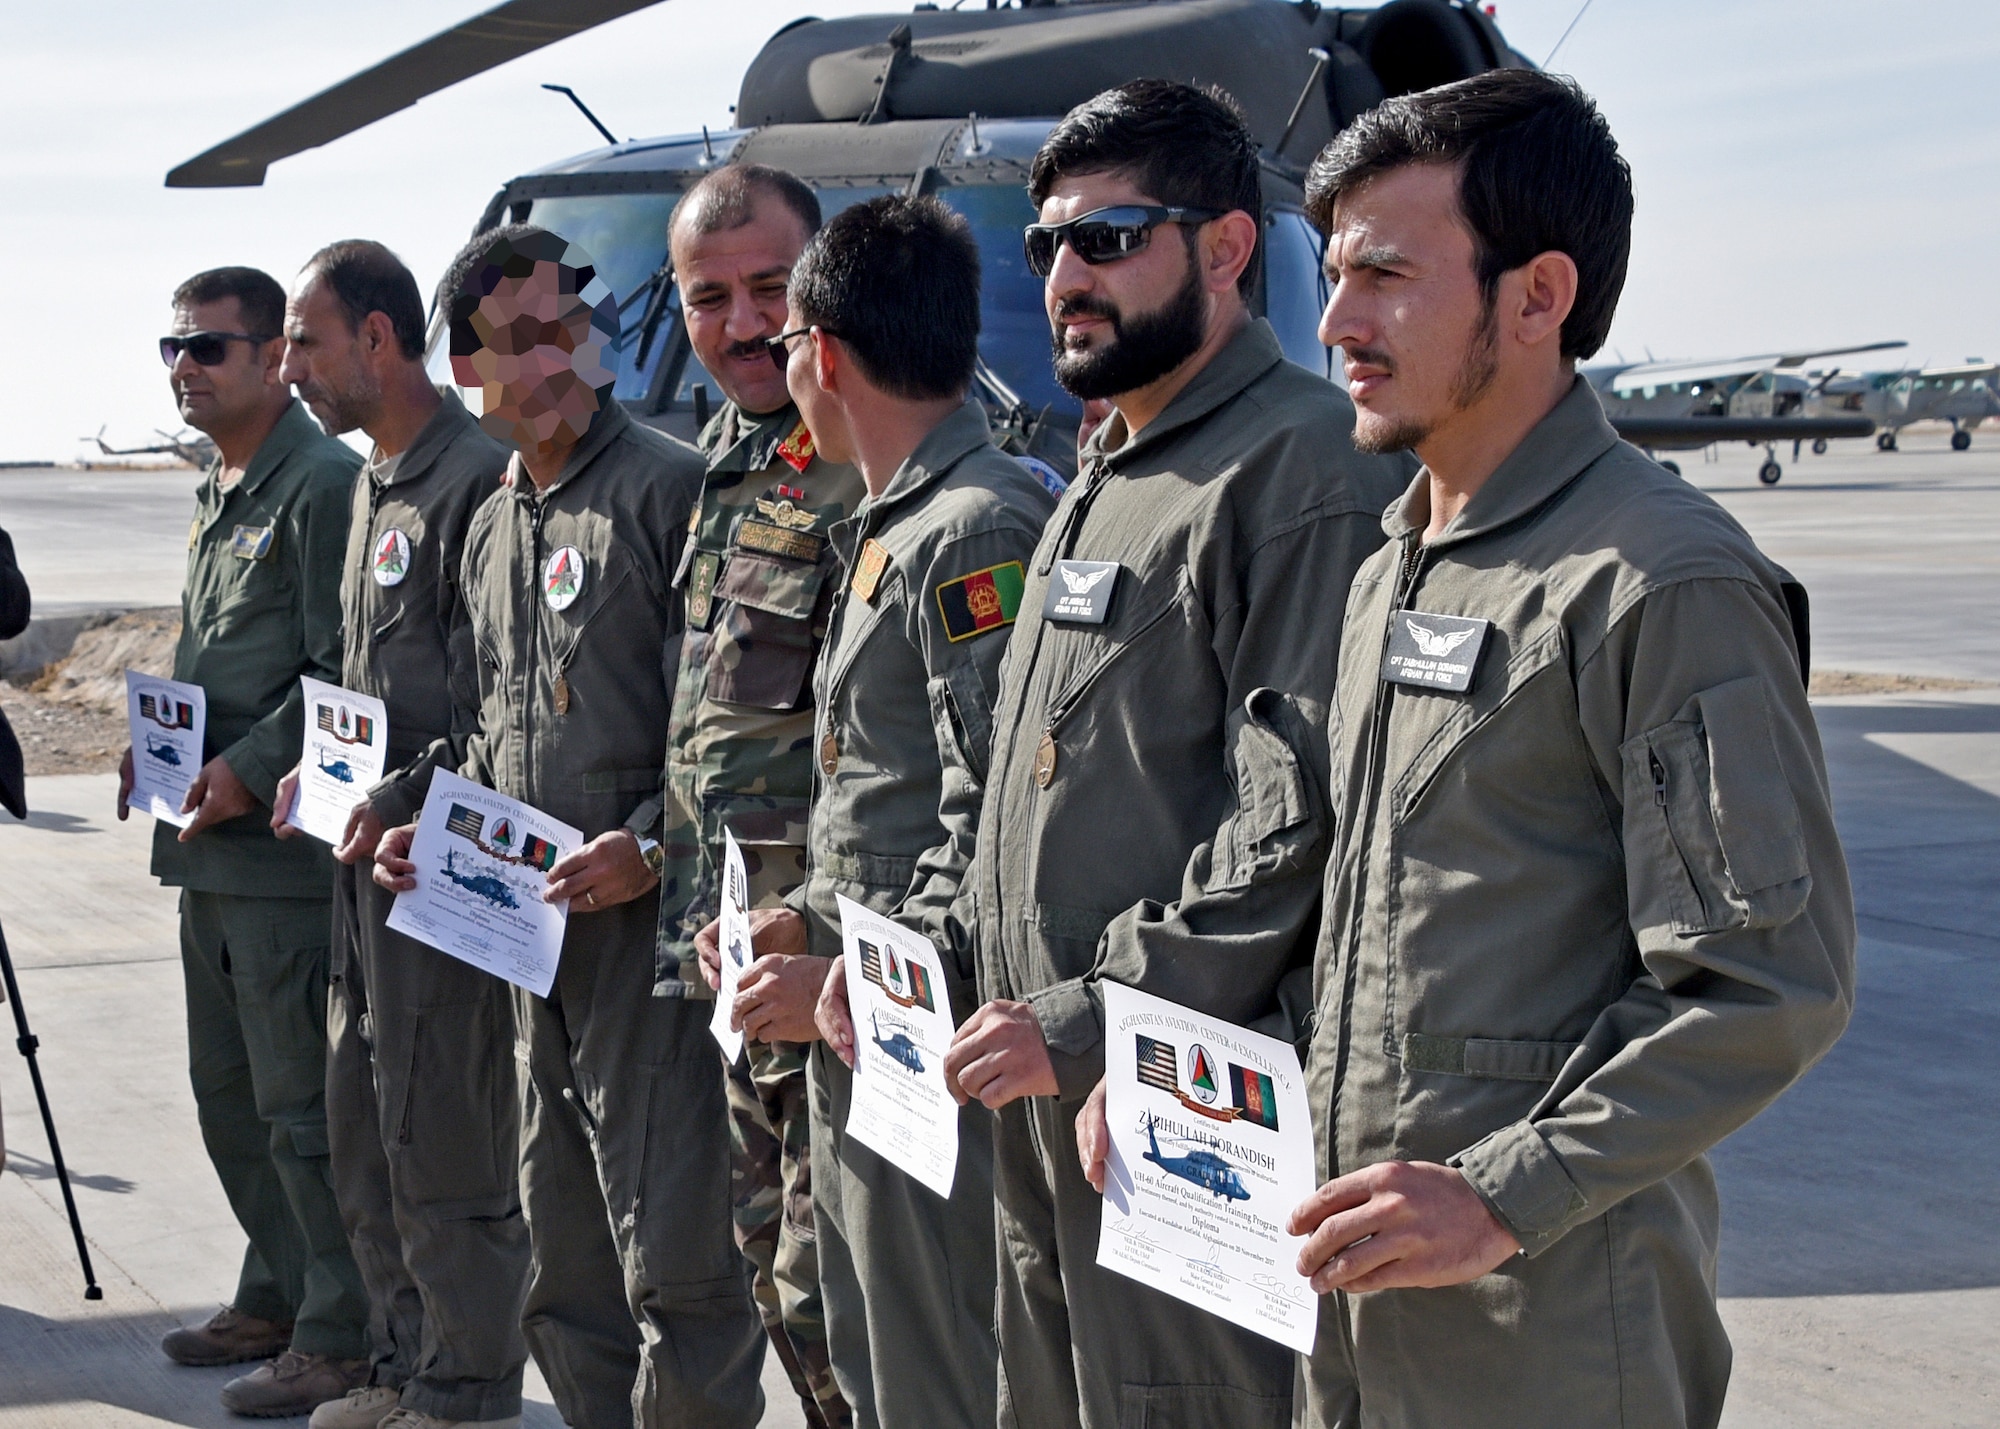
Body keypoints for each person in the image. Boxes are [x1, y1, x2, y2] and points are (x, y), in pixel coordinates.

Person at [1288, 71, 1855, 1428]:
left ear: (1537, 297)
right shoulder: (1403, 563)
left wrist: (1501, 1192)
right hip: (1360, 1314)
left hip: (1546, 1332)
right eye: (1331, 274)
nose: (1336, 324)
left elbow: (1769, 980)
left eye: (1384, 275)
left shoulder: (1660, 583)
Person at [932, 82, 1409, 1429]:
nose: (1067, 277)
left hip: (1177, 1098)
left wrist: (1097, 1019)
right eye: (1049, 248)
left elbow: (1294, 823)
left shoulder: (1300, 469)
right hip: (1045, 1090)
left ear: (1224, 250)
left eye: (1110, 237)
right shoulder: (1107, 467)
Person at [374, 225, 764, 1429]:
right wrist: (414, 815)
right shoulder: (494, 523)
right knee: (564, 1263)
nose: (550, 362)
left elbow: (733, 727)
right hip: (524, 944)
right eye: (515, 342)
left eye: (565, 330)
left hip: (648, 956)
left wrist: (647, 841)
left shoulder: (670, 490)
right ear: (468, 370)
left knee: (681, 1267)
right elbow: (493, 726)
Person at [701, 195, 1055, 1429]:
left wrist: (846, 976)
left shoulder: (974, 532)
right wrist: (797, 918)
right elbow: (883, 798)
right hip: (871, 1021)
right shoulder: (896, 522)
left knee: (930, 1372)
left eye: (784, 334)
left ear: (825, 356)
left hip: (924, 1033)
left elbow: (994, 828)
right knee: (869, 1350)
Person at [268, 240, 524, 1429]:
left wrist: (413, 804)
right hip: (361, 859)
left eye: (305, 343)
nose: (290, 371)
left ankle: (462, 1385)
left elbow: (492, 701)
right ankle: (399, 1362)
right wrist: (318, 781)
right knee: (361, 1113)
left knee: (441, 1131)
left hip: (438, 861)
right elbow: (364, 688)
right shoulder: (375, 479)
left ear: (378, 337)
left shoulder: (473, 479)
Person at [127, 266, 369, 1418]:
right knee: (227, 1092)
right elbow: (219, 659)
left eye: (207, 347)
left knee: (297, 1105)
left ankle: (338, 1327)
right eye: (172, 347)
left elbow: (338, 674)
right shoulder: (220, 487)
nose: (184, 366)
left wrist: (245, 769)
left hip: (277, 852)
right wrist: (161, 750)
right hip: (207, 848)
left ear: (275, 354)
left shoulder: (319, 482)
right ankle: (273, 1290)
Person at [654, 163, 867, 1429]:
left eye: (769, 290)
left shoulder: (865, 468)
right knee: (779, 1286)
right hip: (741, 963)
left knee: (842, 1298)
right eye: (708, 297)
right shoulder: (733, 465)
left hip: (830, 973)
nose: (740, 325)